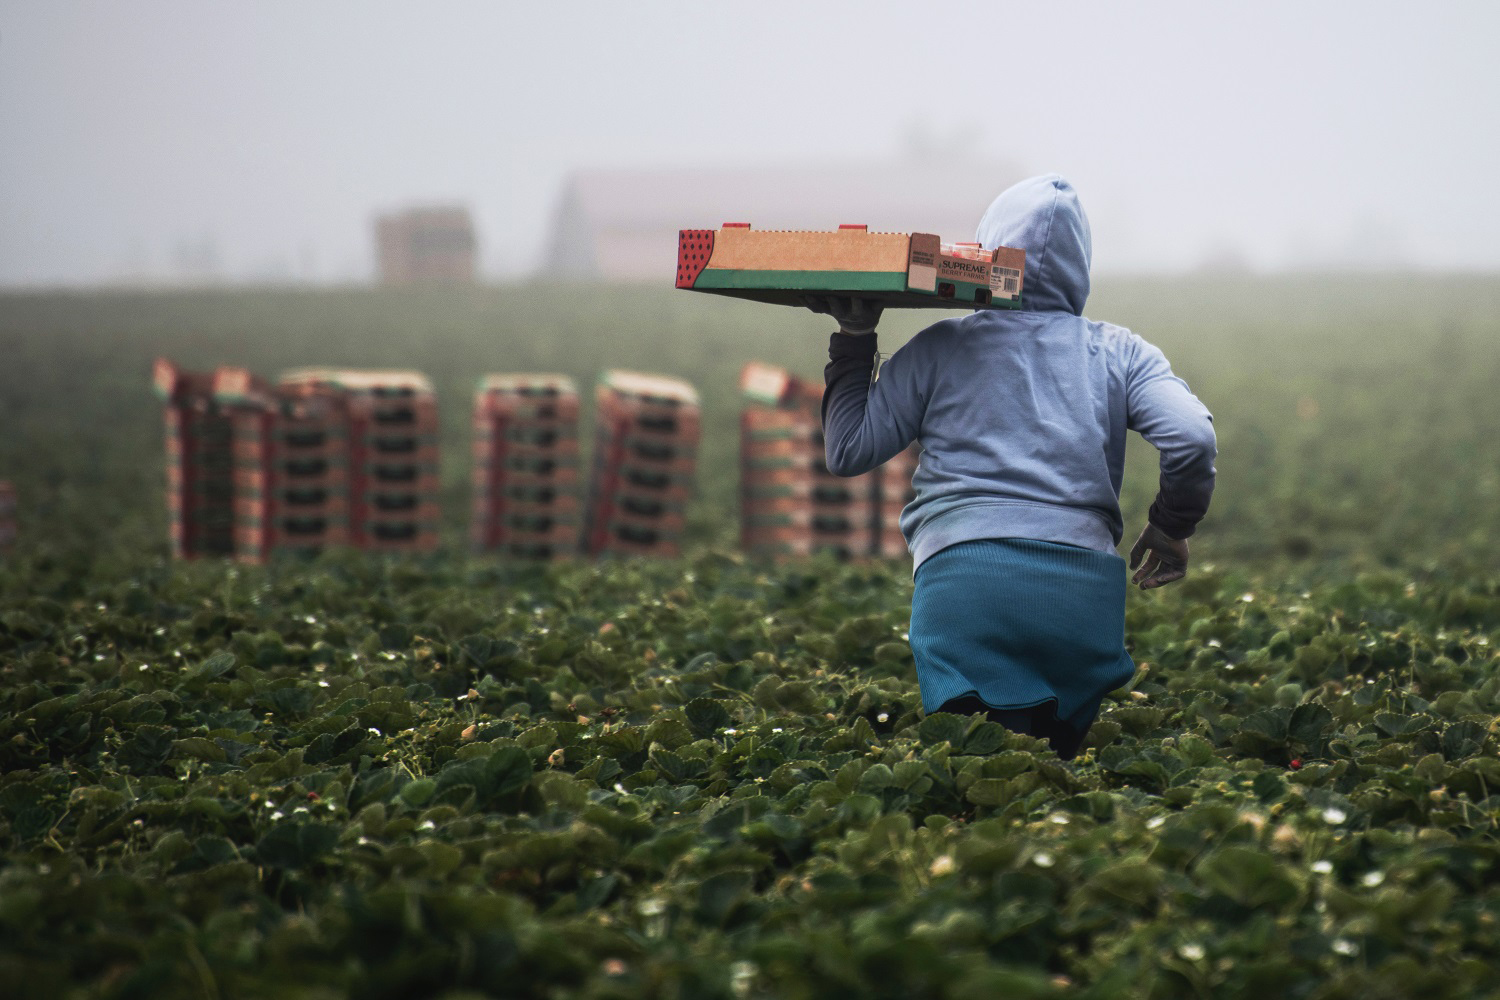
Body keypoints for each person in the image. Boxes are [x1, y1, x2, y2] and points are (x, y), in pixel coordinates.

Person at [809, 174, 1216, 760]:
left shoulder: (939, 347)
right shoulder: (1123, 352)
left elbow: (848, 450)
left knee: (977, 777)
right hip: (1081, 599)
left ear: (985, 254)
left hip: (962, 586)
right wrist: (1172, 525)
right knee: (1058, 787)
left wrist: (854, 336)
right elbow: (1191, 437)